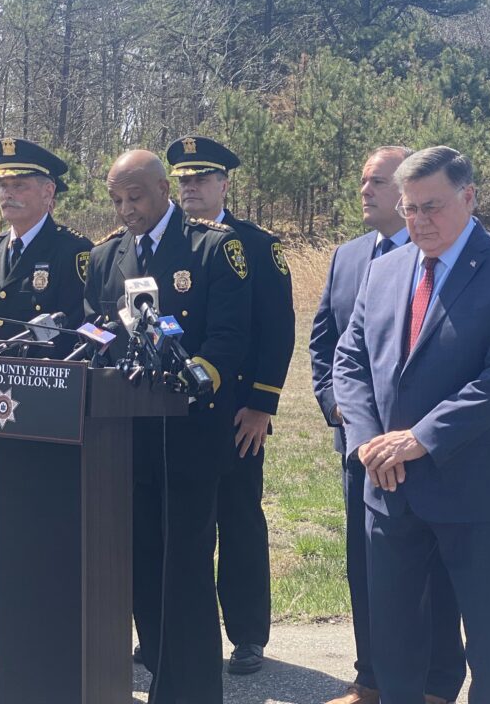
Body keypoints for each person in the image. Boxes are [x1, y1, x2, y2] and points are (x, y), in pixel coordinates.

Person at [333, 146, 490, 704]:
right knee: (396, 645)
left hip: (476, 490)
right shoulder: (384, 269)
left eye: (432, 207)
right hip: (390, 487)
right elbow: (349, 361)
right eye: (409, 209)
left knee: (489, 646)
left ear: (468, 197)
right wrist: (366, 443)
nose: (419, 221)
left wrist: (420, 439)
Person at [84, 149, 251, 704]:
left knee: (185, 568)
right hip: (123, 441)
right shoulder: (107, 256)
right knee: (142, 568)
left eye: (134, 197)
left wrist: (193, 376)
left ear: (163, 190)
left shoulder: (211, 248)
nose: (125, 209)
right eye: (116, 200)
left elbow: (229, 335)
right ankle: (161, 676)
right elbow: (98, 331)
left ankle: (195, 691)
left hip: (189, 437)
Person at [309, 147, 466, 704]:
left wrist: (416, 436)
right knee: (368, 566)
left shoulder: (444, 253)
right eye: (363, 180)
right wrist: (339, 407)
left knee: (435, 571)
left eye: (378, 181)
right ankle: (371, 678)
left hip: (426, 448)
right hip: (364, 446)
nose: (366, 190)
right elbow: (327, 342)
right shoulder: (349, 256)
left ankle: (437, 682)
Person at [0, 136, 91, 696]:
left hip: (46, 420)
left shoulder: (74, 253)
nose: (8, 194)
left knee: (41, 529)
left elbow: (84, 328)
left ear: (48, 193)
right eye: (3, 185)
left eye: (20, 185)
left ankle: (41, 634)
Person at [165, 135, 293, 675]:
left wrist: (262, 404)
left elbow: (277, 330)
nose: (191, 188)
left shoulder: (256, 246)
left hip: (237, 413)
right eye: (183, 180)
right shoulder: (165, 242)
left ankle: (247, 635)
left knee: (238, 520)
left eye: (201, 178)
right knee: (179, 525)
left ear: (224, 184)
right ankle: (172, 631)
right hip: (172, 414)